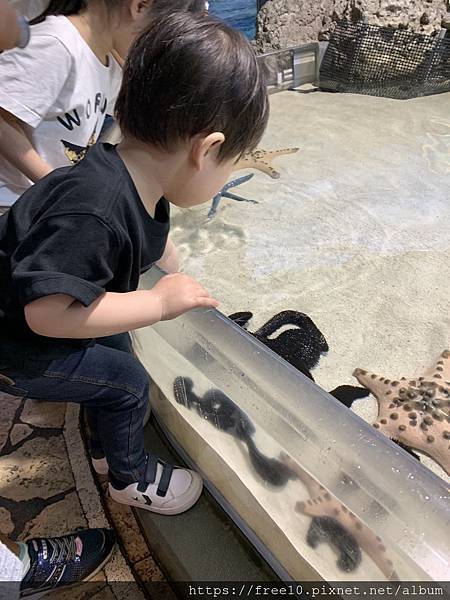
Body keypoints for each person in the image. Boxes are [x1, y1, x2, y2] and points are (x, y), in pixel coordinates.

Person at [0, 11, 269, 516]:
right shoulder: (93, 209)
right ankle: (130, 478)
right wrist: (157, 302)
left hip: (37, 313)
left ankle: (106, 441)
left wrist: (167, 260)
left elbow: (137, 237)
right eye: (235, 159)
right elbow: (43, 313)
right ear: (206, 150)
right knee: (127, 383)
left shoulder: (123, 172)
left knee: (119, 348)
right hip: (18, 343)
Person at [0, 4, 115, 597]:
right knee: (34, 328)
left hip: (54, 218)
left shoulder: (105, 61)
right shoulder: (54, 44)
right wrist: (58, 192)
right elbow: (2, 116)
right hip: (19, 220)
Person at [0, 0, 147, 207]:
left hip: (36, 202)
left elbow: (136, 118)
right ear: (139, 6)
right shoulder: (57, 43)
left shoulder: (105, 63)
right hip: (10, 201)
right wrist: (56, 186)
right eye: (158, 33)